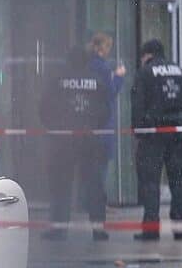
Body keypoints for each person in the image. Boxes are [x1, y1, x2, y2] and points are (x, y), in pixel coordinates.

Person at [39, 46, 111, 241]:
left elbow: (44, 108)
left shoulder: (58, 79)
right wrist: (93, 125)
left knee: (61, 184)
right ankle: (98, 227)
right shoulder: (97, 81)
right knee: (94, 184)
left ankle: (59, 228)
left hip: (63, 140)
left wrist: (56, 127)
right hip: (89, 139)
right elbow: (105, 109)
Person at [131, 39, 182, 241]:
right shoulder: (178, 71)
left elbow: (138, 105)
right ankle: (180, 228)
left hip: (153, 135)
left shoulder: (145, 73)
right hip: (177, 133)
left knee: (150, 184)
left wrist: (139, 131)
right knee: (177, 182)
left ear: (147, 55)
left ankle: (151, 230)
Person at [87, 32, 127, 197]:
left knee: (93, 166)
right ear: (99, 48)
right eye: (107, 46)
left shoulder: (89, 65)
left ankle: (92, 200)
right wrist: (118, 77)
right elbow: (109, 93)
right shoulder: (102, 68)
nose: (108, 50)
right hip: (103, 123)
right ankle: (98, 202)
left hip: (91, 122)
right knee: (100, 167)